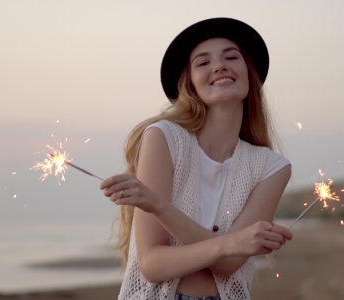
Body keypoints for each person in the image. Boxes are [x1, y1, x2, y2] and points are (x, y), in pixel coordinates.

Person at [100, 18, 293, 300]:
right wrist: (233, 242)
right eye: (203, 62)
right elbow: (153, 265)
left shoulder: (271, 167)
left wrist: (157, 205)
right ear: (189, 83)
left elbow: (228, 265)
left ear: (249, 72)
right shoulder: (163, 137)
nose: (219, 65)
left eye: (231, 57)